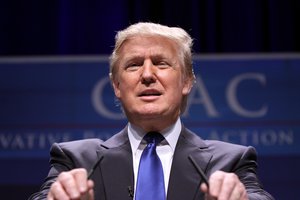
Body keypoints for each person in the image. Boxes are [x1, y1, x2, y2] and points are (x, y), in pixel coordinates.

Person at [29, 22, 274, 200]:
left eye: (161, 63)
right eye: (134, 65)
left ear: (187, 81)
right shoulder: (77, 160)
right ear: (116, 86)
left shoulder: (229, 161)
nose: (147, 75)